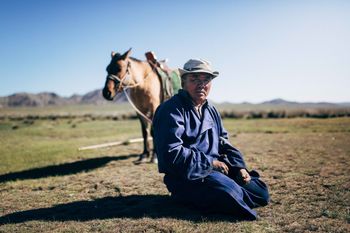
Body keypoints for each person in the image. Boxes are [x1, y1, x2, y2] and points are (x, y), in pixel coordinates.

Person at [152, 58, 269, 220]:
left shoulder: (211, 110)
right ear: (183, 82)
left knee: (261, 192)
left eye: (206, 80)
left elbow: (223, 141)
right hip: (187, 176)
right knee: (229, 191)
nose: (201, 84)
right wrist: (210, 163)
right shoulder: (171, 110)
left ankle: (234, 194)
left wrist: (238, 167)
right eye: (194, 79)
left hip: (216, 171)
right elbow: (171, 153)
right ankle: (199, 196)